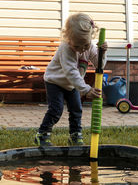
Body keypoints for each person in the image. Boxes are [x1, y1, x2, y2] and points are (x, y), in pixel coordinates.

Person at [34, 13, 108, 146]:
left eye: (84, 45)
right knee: (56, 110)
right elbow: (71, 72)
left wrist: (102, 52)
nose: (81, 49)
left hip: (72, 84)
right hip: (55, 82)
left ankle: (75, 136)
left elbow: (99, 65)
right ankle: (42, 134)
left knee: (76, 109)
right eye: (77, 46)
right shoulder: (65, 48)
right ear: (68, 38)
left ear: (91, 38)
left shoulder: (89, 47)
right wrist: (86, 89)